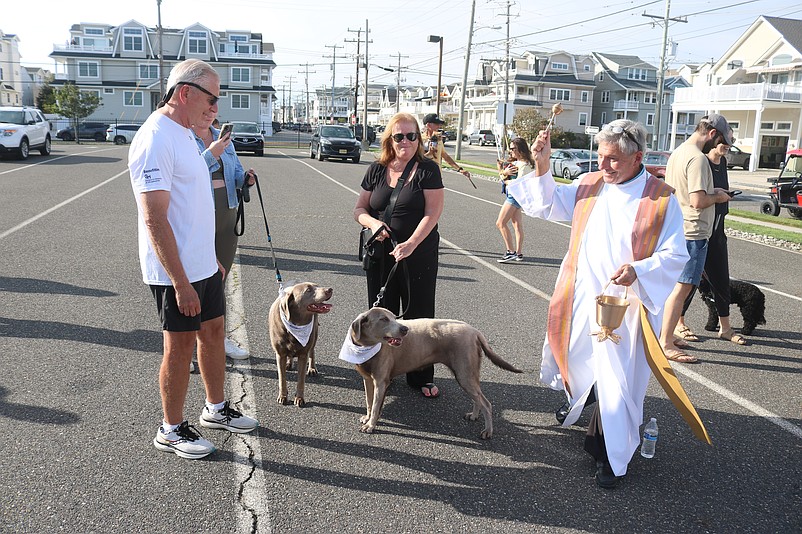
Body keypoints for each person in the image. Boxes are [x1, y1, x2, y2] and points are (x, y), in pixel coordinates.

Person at [507, 120, 689, 488]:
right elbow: (545, 204)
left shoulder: (661, 198)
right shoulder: (590, 184)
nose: (603, 166)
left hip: (627, 307)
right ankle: (586, 403)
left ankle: (612, 457)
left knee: (619, 382)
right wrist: (542, 165)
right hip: (581, 295)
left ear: (637, 157)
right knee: (577, 362)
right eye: (601, 157)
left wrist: (639, 270)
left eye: (613, 160)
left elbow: (675, 254)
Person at [128, 58, 258, 460]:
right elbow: (154, 217)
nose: (216, 109)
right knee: (179, 347)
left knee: (214, 332)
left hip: (202, 264)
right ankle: (170, 429)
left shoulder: (186, 133)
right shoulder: (156, 137)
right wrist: (182, 281)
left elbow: (195, 203)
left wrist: (209, 260)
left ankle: (216, 408)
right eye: (212, 99)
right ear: (185, 93)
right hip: (175, 274)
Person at [353, 112, 445, 398]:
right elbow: (359, 210)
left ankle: (420, 376)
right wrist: (374, 224)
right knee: (382, 317)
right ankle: (383, 371)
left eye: (411, 135)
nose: (405, 141)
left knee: (418, 316)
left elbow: (433, 213)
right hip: (381, 254)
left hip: (418, 254)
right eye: (399, 136)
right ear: (389, 140)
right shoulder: (377, 169)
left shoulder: (428, 170)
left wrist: (411, 244)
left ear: (418, 138)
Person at [660, 115, 734, 363]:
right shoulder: (698, 159)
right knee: (683, 288)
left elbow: (681, 192)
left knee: (674, 287)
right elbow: (697, 201)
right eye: (721, 140)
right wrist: (719, 197)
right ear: (712, 133)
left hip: (676, 227)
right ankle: (666, 343)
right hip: (694, 232)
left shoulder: (679, 152)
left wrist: (713, 192)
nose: (718, 146)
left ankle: (666, 333)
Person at [191, 116, 256, 359]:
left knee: (220, 281)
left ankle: (219, 339)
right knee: (195, 283)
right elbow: (187, 175)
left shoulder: (223, 137)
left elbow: (236, 172)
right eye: (207, 104)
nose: (210, 111)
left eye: (213, 105)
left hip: (227, 214)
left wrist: (245, 179)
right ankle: (188, 346)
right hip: (198, 215)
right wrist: (211, 154)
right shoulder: (185, 137)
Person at [677, 138, 746, 345]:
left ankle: (725, 328)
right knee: (689, 282)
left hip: (718, 230)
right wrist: (718, 196)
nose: (729, 145)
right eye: (726, 141)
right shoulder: (701, 162)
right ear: (714, 140)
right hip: (700, 230)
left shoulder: (723, 163)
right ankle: (679, 324)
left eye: (732, 141)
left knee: (721, 279)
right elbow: (698, 198)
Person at [495, 137, 533, 263]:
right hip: (513, 195)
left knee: (500, 223)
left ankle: (510, 251)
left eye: (513, 149)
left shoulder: (525, 165)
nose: (510, 151)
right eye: (510, 148)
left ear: (520, 150)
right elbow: (503, 175)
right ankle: (518, 253)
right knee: (516, 224)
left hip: (515, 197)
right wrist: (501, 170)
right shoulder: (516, 163)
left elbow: (519, 183)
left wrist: (504, 178)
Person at [421, 113, 472, 182]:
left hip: (436, 176)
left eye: (439, 124)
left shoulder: (438, 139)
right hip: (423, 175)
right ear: (428, 125)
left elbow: (445, 156)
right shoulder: (420, 139)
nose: (439, 126)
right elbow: (417, 158)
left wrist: (459, 169)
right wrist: (429, 153)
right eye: (436, 124)